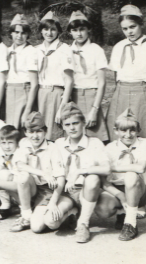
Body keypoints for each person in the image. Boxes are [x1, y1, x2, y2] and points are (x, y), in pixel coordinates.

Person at [106, 5, 146, 149]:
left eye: (132, 27)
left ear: (141, 24)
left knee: (140, 143)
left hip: (142, 96)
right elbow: (116, 77)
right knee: (117, 141)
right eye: (125, 29)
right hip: (120, 94)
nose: (129, 32)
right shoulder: (119, 47)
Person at [51, 102, 111, 243]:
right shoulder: (59, 144)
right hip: (66, 192)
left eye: (75, 123)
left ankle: (83, 223)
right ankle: (73, 212)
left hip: (86, 191)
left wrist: (80, 171)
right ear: (63, 127)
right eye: (67, 124)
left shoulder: (94, 143)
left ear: (83, 123)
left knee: (93, 179)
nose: (72, 128)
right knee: (51, 222)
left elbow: (107, 169)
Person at [94, 110, 146, 241]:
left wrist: (112, 168)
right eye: (123, 130)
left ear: (138, 131)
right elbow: (103, 179)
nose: (128, 134)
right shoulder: (109, 148)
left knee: (131, 175)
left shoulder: (144, 143)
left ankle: (130, 223)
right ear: (116, 131)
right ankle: (122, 213)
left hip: (140, 190)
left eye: (132, 130)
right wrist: (121, 196)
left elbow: (141, 167)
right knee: (102, 210)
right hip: (117, 189)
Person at [9, 112, 66, 233]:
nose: (35, 136)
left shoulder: (52, 148)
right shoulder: (24, 143)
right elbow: (20, 165)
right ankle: (26, 216)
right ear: (25, 132)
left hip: (47, 190)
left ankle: (70, 212)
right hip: (32, 187)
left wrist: (53, 202)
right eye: (31, 132)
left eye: (39, 131)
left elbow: (61, 177)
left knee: (37, 227)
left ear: (45, 131)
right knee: (22, 176)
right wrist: (43, 173)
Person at [67, 11, 109, 142]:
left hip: (91, 97)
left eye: (82, 29)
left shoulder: (97, 50)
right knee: (74, 138)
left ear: (88, 29)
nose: (79, 34)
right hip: (73, 97)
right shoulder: (66, 50)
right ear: (70, 32)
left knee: (94, 139)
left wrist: (94, 110)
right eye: (74, 30)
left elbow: (102, 83)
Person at [35, 11, 74, 140]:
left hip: (56, 94)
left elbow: (69, 80)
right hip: (40, 94)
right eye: (46, 29)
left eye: (53, 29)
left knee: (54, 134)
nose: (49, 33)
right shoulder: (36, 50)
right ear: (41, 30)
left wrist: (62, 106)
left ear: (58, 31)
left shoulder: (64, 49)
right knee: (39, 132)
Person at [5, 14, 38, 128]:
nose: (19, 36)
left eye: (23, 33)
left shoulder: (31, 51)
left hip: (24, 91)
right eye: (16, 32)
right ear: (11, 33)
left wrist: (27, 110)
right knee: (10, 126)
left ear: (28, 34)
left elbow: (34, 84)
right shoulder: (7, 50)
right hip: (9, 91)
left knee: (22, 125)